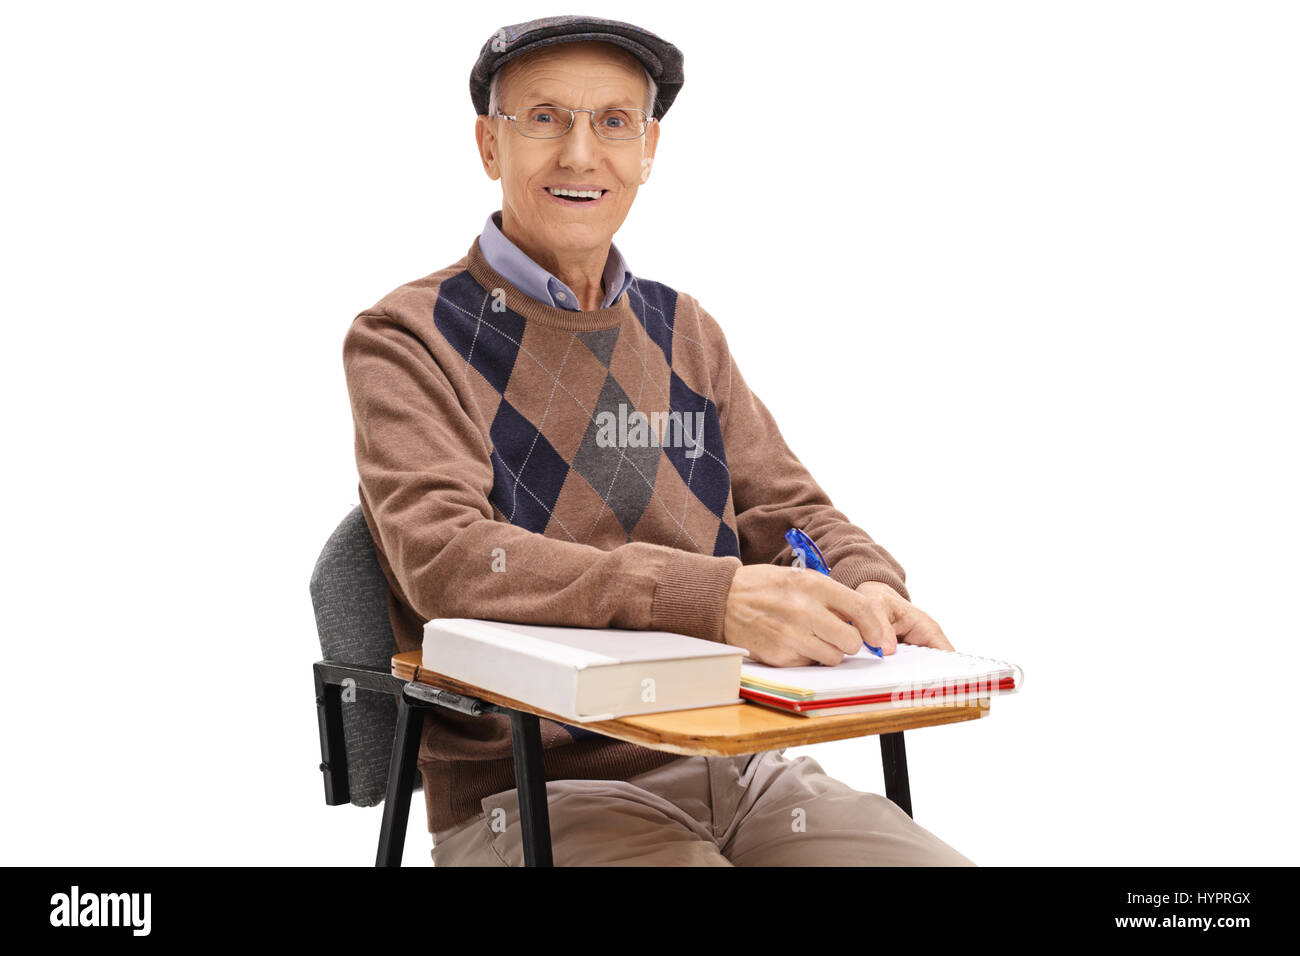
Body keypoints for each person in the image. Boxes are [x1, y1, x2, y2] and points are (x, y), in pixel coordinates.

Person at [342, 15, 973, 866]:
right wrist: (711, 600)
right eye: (543, 118)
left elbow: (787, 508)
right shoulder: (407, 337)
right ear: (490, 145)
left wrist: (868, 586)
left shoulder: (684, 329)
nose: (578, 154)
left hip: (746, 770)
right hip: (535, 795)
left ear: (648, 152)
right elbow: (448, 559)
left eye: (613, 122)